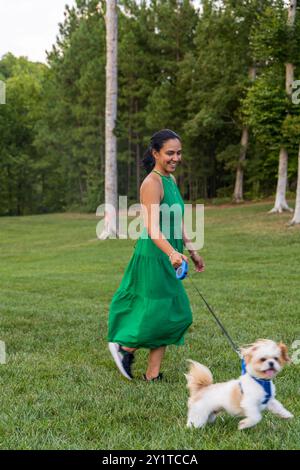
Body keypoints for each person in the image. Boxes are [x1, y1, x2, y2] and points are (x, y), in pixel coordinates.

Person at [107, 129, 205, 382]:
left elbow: (176, 220)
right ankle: (125, 348)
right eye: (170, 153)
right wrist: (172, 252)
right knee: (164, 310)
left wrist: (191, 250)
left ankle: (152, 374)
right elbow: (151, 227)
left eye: (179, 153)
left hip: (171, 253)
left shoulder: (170, 180)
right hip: (155, 253)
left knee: (169, 311)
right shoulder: (152, 183)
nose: (176, 158)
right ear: (155, 153)